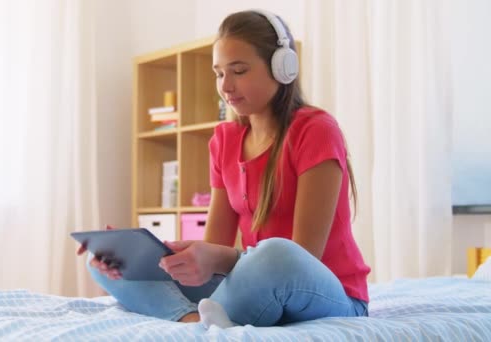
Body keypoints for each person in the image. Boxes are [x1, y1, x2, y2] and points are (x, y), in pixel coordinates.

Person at [77, 9, 370, 328]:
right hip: (256, 283)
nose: (225, 86)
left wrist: (221, 258)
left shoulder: (315, 131)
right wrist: (151, 255)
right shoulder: (225, 140)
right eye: (218, 73)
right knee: (107, 265)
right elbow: (213, 248)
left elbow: (303, 260)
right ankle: (191, 321)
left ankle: (211, 316)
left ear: (282, 68)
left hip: (324, 292)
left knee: (276, 255)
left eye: (239, 70)